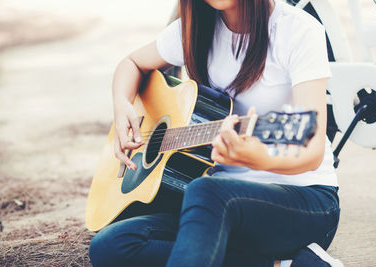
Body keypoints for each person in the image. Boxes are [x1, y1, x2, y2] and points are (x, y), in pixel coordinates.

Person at [89, 0, 344, 266]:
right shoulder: (194, 30)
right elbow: (131, 62)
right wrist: (122, 104)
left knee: (205, 191)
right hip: (218, 206)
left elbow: (311, 152)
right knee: (111, 245)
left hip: (304, 202)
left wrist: (260, 160)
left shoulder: (298, 29)